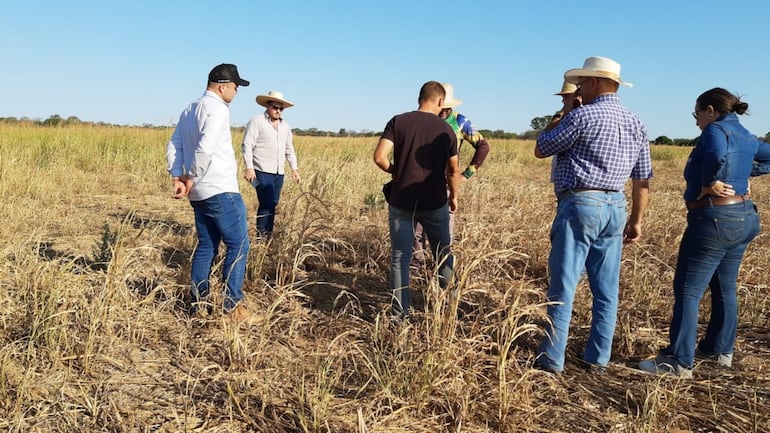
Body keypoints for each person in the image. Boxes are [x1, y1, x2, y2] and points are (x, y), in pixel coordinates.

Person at [639, 88, 770, 377]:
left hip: (714, 218)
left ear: (710, 110)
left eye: (697, 113)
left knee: (687, 290)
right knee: (725, 287)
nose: (696, 120)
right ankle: (719, 350)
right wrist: (747, 171)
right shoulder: (746, 135)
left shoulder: (714, 131)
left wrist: (710, 181)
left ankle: (678, 360)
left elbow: (714, 155)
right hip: (744, 216)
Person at [533, 56, 653, 373]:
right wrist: (636, 220)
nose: (580, 88)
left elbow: (542, 147)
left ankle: (551, 360)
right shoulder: (637, 122)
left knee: (563, 287)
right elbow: (642, 180)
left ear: (596, 83)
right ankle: (598, 359)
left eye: (583, 82)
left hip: (581, 203)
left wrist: (568, 111)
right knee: (605, 291)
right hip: (617, 205)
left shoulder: (583, 116)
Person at [166, 63, 252, 319]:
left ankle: (197, 303)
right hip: (220, 187)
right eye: (236, 87)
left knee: (207, 245)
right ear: (223, 86)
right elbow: (206, 147)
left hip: (199, 192)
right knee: (238, 244)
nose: (236, 92)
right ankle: (233, 306)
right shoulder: (218, 109)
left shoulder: (190, 108)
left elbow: (174, 144)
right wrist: (189, 177)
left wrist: (178, 176)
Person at [373, 81, 461, 318]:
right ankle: (449, 308)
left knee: (400, 258)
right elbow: (453, 171)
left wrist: (396, 170)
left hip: (401, 201)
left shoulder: (398, 121)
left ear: (419, 98)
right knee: (443, 253)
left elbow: (379, 157)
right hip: (434, 203)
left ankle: (399, 314)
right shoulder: (447, 131)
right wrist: (453, 196)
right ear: (441, 101)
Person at [412, 83, 490, 264]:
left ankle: (443, 271)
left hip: (445, 185)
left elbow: (483, 146)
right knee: (416, 232)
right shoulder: (423, 119)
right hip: (419, 184)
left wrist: (466, 175)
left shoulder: (461, 123)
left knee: (443, 234)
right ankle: (417, 268)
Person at [242, 90, 300, 238]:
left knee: (273, 203)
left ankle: (268, 235)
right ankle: (261, 237)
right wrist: (249, 167)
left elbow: (289, 148)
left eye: (281, 108)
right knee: (266, 203)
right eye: (275, 107)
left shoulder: (285, 126)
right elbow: (247, 145)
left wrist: (294, 169)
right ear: (268, 106)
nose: (278, 111)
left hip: (278, 172)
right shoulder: (257, 121)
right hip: (261, 170)